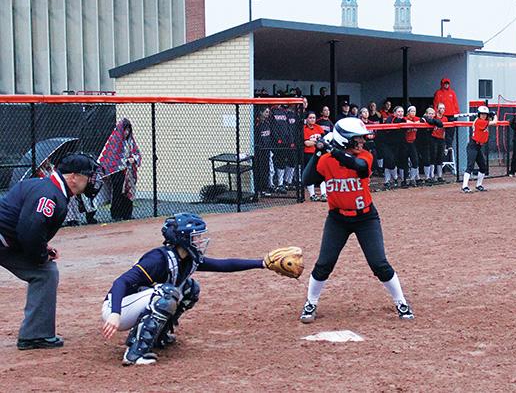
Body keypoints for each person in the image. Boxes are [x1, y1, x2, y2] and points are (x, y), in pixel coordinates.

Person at [101, 212, 303, 365]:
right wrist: (115, 314)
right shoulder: (158, 259)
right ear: (182, 238)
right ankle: (135, 353)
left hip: (135, 303)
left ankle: (155, 337)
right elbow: (121, 283)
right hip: (118, 307)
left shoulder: (187, 259)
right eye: (195, 236)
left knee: (190, 289)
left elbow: (223, 265)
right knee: (168, 293)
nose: (199, 240)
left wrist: (262, 263)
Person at [299, 118, 414, 323]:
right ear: (344, 141)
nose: (361, 141)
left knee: (379, 264)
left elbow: (358, 166)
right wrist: (318, 151)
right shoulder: (327, 160)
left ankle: (401, 302)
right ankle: (310, 302)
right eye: (356, 139)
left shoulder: (365, 157)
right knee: (324, 263)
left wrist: (331, 150)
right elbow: (307, 180)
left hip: (365, 218)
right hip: (338, 219)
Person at [0, 153, 102, 350]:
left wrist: (41, 248)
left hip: (7, 241)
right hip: (5, 240)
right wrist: (40, 255)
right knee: (44, 270)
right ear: (73, 177)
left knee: (45, 272)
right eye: (88, 176)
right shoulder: (50, 193)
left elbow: (27, 226)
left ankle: (35, 334)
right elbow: (30, 229)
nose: (91, 181)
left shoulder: (48, 188)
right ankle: (34, 335)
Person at [98, 118, 142, 221]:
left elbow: (137, 154)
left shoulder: (131, 141)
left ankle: (127, 214)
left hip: (129, 172)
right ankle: (116, 214)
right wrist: (124, 161)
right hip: (117, 171)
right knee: (117, 192)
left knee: (129, 192)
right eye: (125, 130)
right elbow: (111, 156)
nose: (126, 132)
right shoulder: (115, 141)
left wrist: (133, 159)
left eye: (128, 130)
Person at [461, 106, 498, 193]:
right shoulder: (479, 121)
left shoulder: (483, 120)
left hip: (478, 147)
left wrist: (490, 115)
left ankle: (479, 185)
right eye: (482, 114)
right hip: (473, 146)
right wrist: (495, 115)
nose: (483, 116)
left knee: (483, 167)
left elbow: (489, 121)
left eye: (485, 114)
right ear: (479, 114)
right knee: (470, 166)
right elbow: (495, 123)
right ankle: (464, 186)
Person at [303, 111, 326, 202]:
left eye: (314, 118)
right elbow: (307, 143)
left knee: (323, 173)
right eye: (310, 118)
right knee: (310, 174)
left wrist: (315, 143)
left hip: (319, 154)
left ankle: (324, 194)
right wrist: (317, 142)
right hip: (308, 154)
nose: (312, 119)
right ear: (307, 119)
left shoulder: (319, 128)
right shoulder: (304, 129)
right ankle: (312, 195)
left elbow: (324, 141)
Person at [433, 78, 460, 148]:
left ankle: (449, 147)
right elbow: (435, 104)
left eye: (447, 83)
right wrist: (436, 115)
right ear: (442, 84)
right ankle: (443, 147)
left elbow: (455, 103)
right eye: (445, 83)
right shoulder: (438, 93)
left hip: (451, 116)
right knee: (440, 132)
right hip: (442, 116)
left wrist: (457, 113)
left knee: (450, 133)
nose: (446, 85)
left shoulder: (452, 93)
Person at [254, 107, 273, 197]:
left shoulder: (267, 123)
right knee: (260, 169)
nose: (267, 114)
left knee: (267, 168)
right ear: (261, 112)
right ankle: (260, 189)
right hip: (260, 150)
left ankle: (265, 187)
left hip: (267, 149)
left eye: (268, 112)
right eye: (266, 112)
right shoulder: (257, 124)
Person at [430, 103, 448, 184]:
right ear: (437, 109)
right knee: (433, 156)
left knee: (440, 157)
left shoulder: (445, 118)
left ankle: (439, 176)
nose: (442, 110)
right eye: (440, 108)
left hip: (441, 139)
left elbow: (445, 131)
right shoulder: (434, 117)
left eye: (443, 108)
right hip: (434, 138)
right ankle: (431, 176)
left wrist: (446, 143)